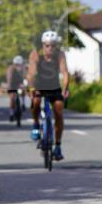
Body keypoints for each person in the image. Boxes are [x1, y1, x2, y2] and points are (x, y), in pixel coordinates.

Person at [27, 31, 70, 161]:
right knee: (35, 102)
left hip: (54, 87)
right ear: (43, 45)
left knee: (58, 111)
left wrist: (65, 88)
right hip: (39, 85)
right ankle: (35, 124)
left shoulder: (60, 55)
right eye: (47, 45)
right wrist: (31, 87)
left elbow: (65, 73)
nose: (50, 48)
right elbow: (31, 72)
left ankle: (57, 146)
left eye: (53, 45)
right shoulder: (35, 54)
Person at [6, 55, 27, 121]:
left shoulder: (24, 68)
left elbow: (26, 77)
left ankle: (23, 103)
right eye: (16, 64)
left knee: (23, 90)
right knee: (12, 98)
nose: (18, 66)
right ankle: (11, 113)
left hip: (20, 84)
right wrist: (9, 88)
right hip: (12, 84)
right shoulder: (10, 69)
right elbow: (9, 79)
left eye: (19, 64)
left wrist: (24, 84)